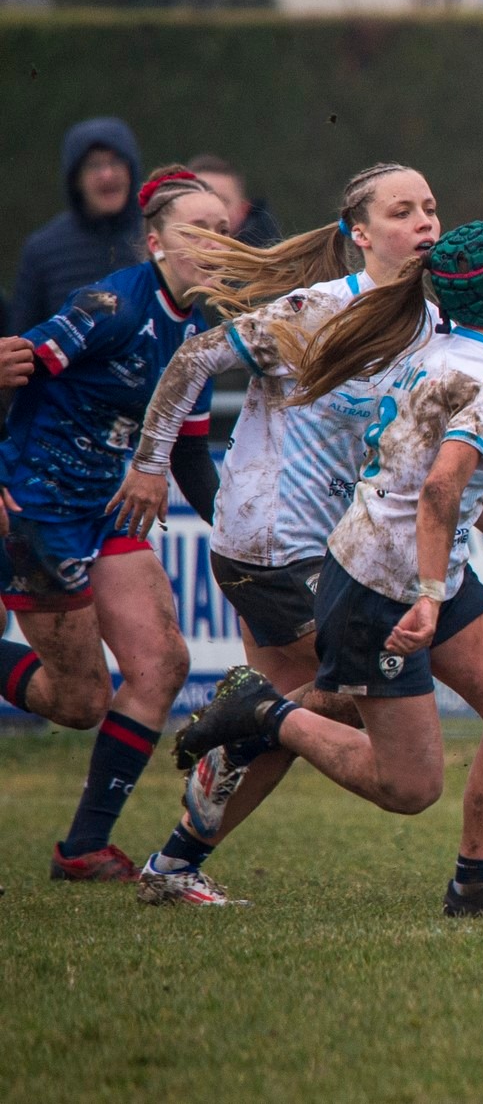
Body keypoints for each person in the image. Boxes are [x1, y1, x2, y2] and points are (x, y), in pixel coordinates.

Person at [174, 221, 483, 919]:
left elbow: (452, 486)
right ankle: (264, 712)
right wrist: (423, 597)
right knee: (410, 787)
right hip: (381, 585)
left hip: (416, 570)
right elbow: (439, 492)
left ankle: (476, 887)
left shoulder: (444, 351)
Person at [0, 166, 227, 881]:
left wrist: (238, 537)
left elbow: (189, 450)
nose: (218, 244)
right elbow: (14, 366)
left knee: (162, 664)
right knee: (80, 702)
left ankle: (83, 849)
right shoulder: (109, 306)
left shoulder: (200, 335)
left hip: (106, 509)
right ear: (156, 243)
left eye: (226, 231)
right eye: (199, 231)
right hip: (38, 512)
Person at [10, 117, 143, 335]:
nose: (107, 174)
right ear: (76, 179)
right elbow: (20, 340)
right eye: (94, 165)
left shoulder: (158, 237)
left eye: (117, 161)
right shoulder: (42, 250)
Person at [188, 153, 283, 249]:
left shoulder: (272, 261)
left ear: (243, 209)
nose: (210, 210)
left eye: (223, 201)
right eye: (200, 200)